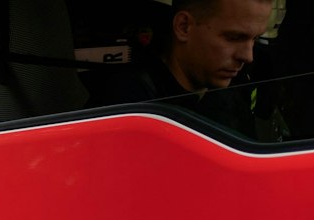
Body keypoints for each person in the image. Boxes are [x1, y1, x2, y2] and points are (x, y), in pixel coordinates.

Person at [85, 0, 271, 138]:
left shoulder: (232, 94)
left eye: (255, 39)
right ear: (184, 27)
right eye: (234, 37)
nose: (248, 56)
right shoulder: (129, 107)